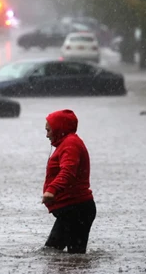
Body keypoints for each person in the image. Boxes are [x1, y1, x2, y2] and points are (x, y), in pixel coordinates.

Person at [42, 109, 96, 254]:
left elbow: (68, 171)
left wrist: (51, 190)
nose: (46, 135)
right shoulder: (67, 143)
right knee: (60, 256)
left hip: (76, 209)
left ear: (59, 128)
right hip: (74, 209)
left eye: (49, 130)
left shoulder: (70, 144)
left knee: (58, 254)